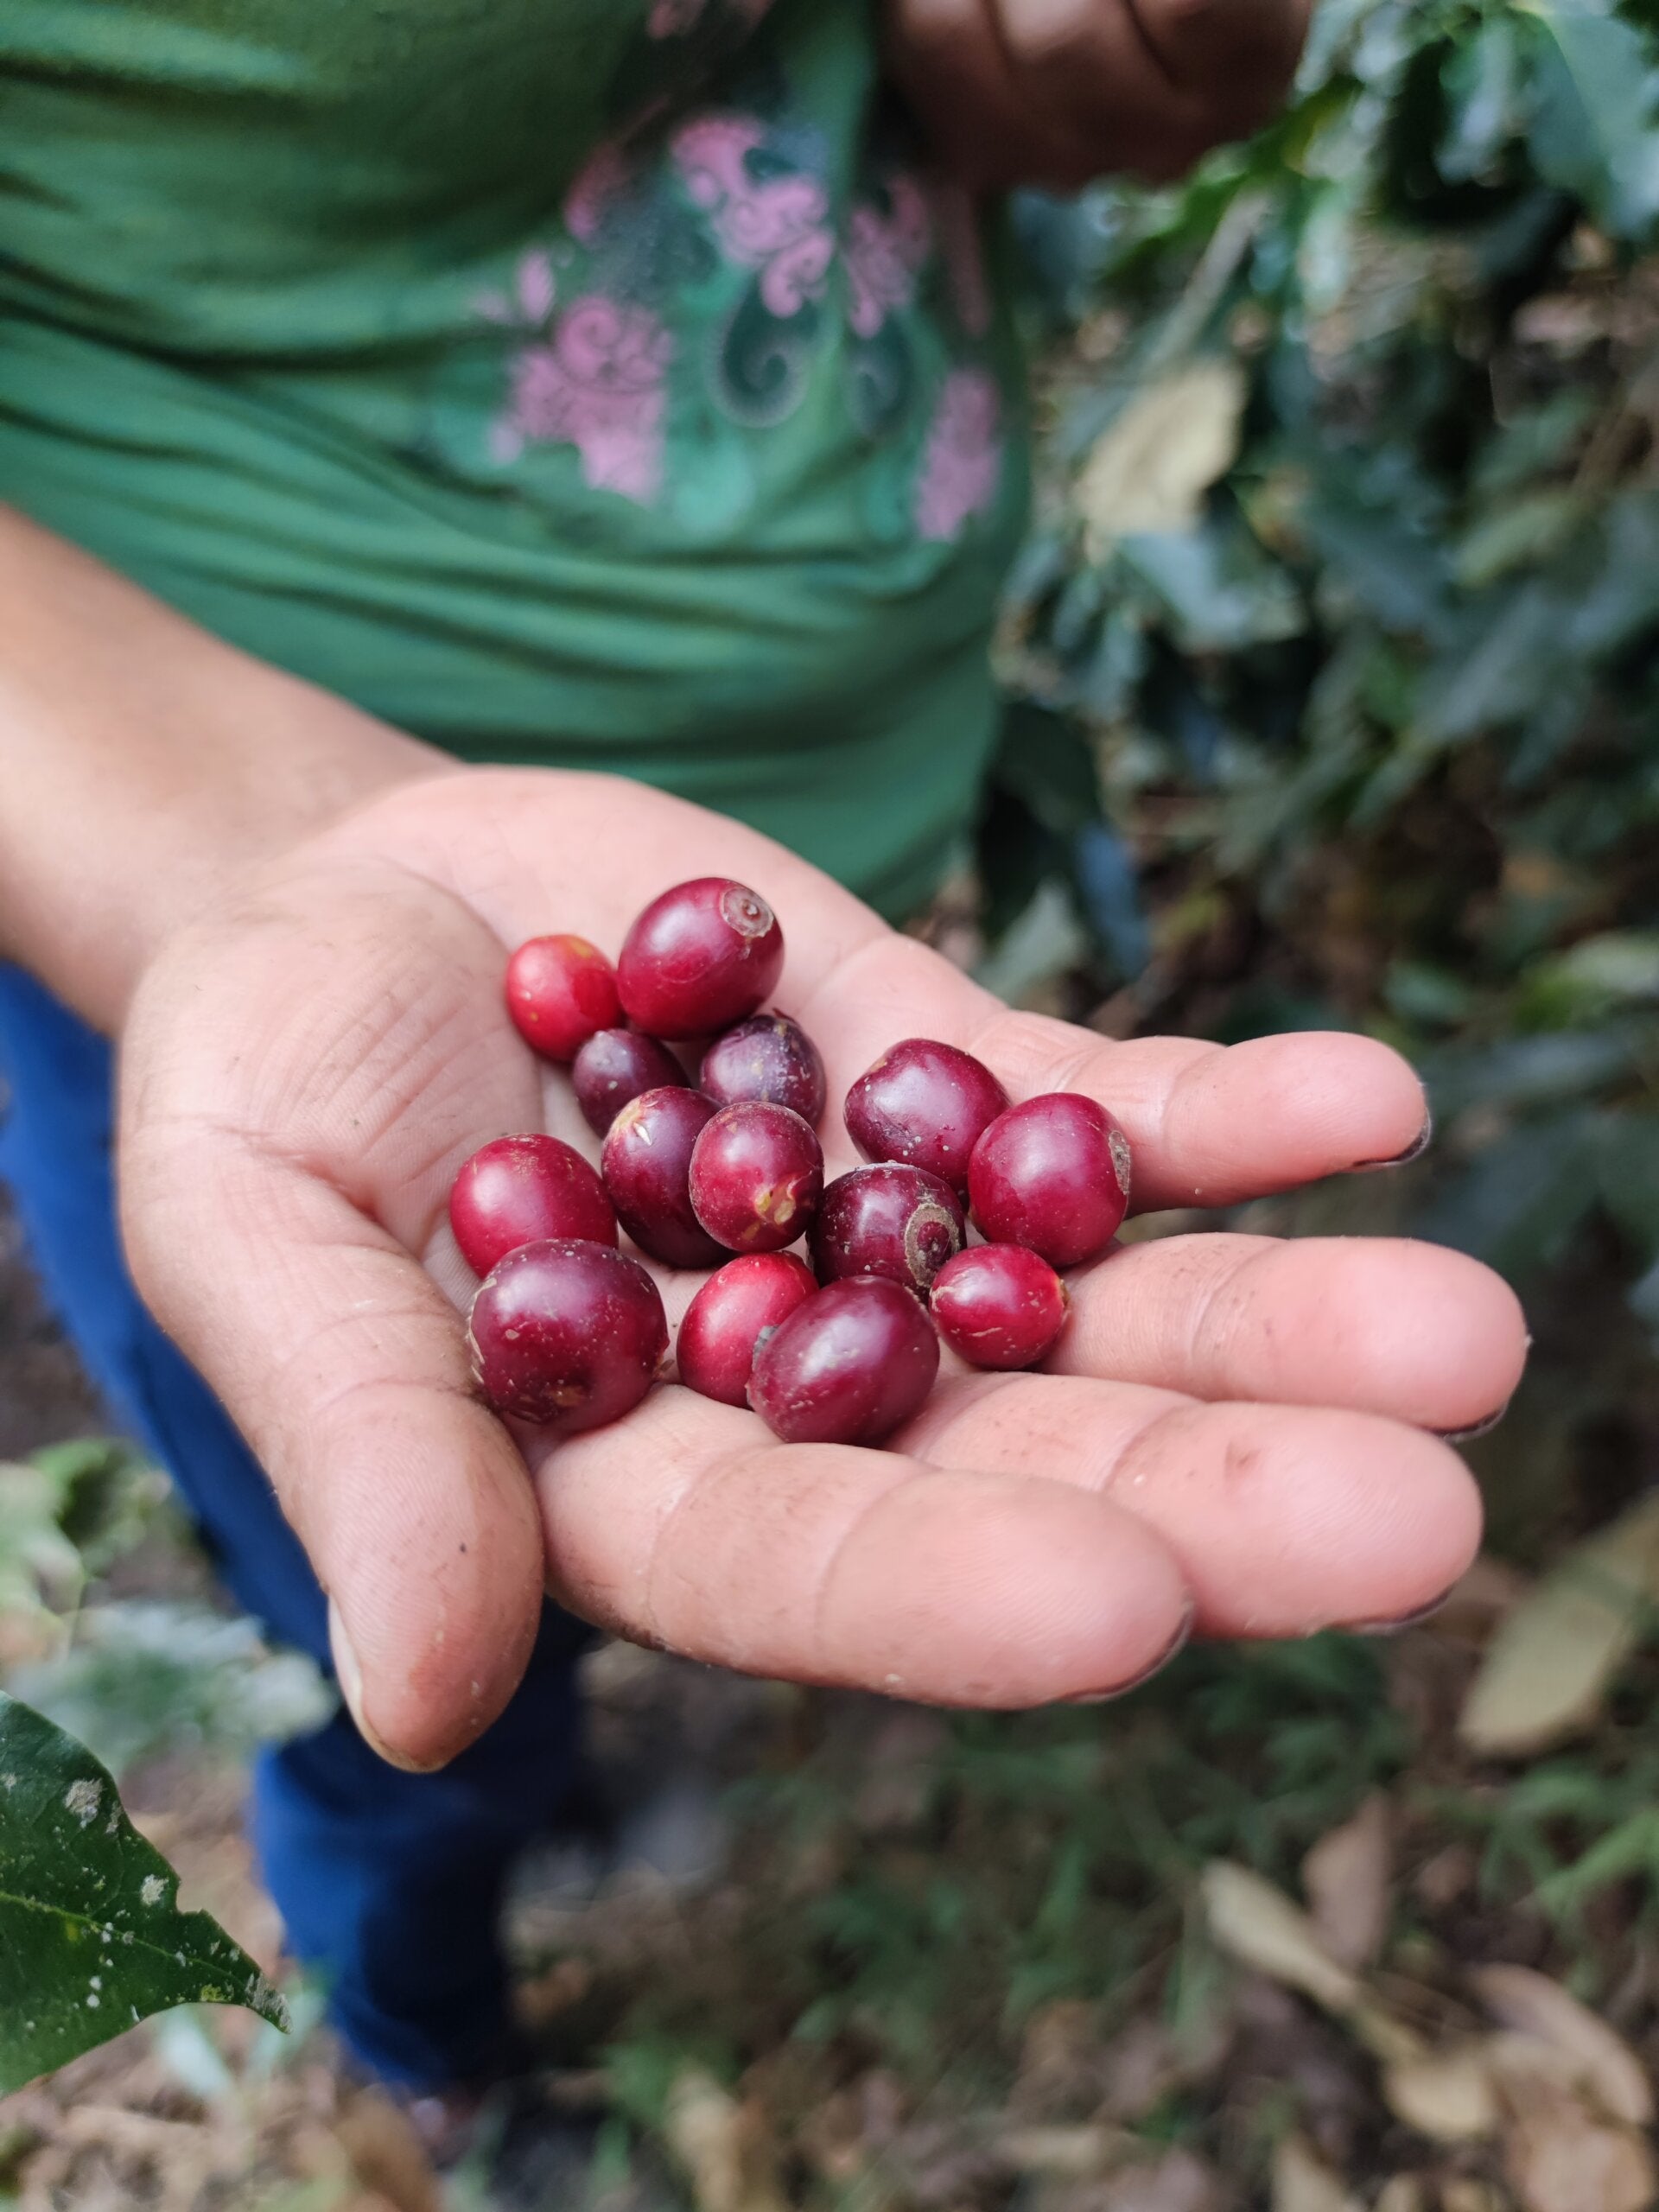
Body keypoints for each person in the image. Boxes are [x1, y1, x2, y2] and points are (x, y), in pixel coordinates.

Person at [0, 0, 1527, 2107]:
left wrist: (1077, 52)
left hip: (826, 860)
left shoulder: (777, 1138)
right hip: (186, 884)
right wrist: (223, 842)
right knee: (413, 1654)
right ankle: (431, 2031)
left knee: (528, 1564)